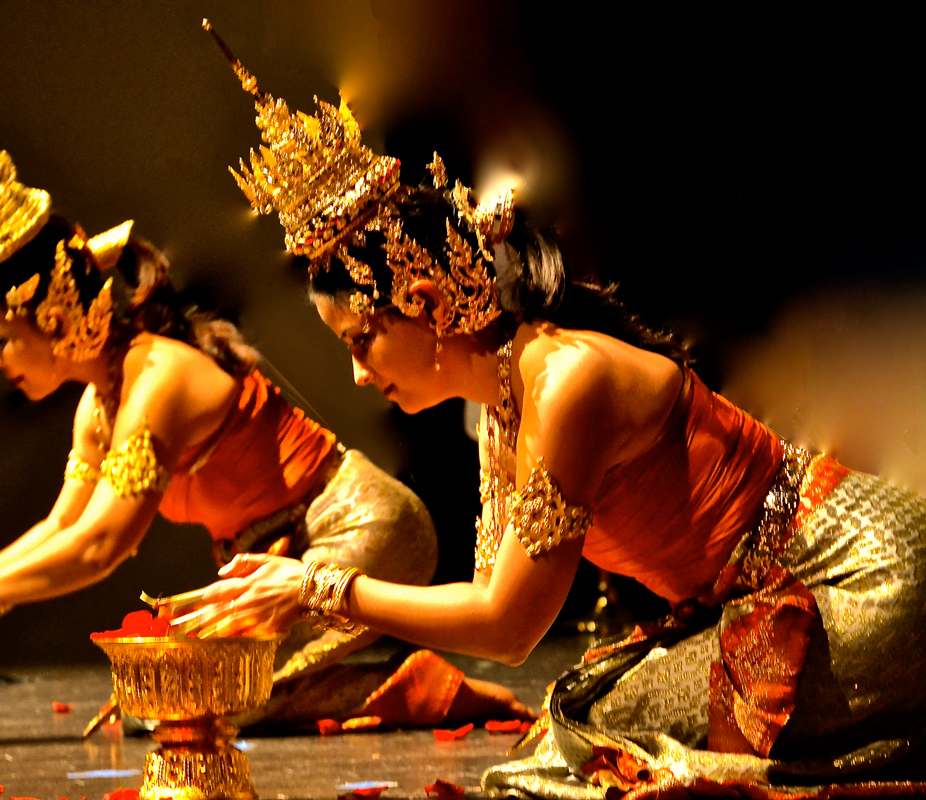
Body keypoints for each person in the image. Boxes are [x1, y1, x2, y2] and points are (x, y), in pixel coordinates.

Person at [191, 25, 926, 794]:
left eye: (360, 339)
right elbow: (489, 607)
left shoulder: (566, 381)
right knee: (569, 730)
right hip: (778, 594)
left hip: (862, 581)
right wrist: (309, 590)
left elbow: (508, 627)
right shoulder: (505, 401)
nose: (356, 373)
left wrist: (317, 588)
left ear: (425, 301)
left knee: (573, 760)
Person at [0, 23, 525, 731]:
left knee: (195, 697)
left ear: (52, 314)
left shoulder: (158, 377)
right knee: (169, 694)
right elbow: (63, 526)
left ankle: (423, 690)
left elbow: (99, 546)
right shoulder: (101, 405)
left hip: (362, 532)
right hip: (279, 559)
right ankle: (391, 683)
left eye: (0, 341)